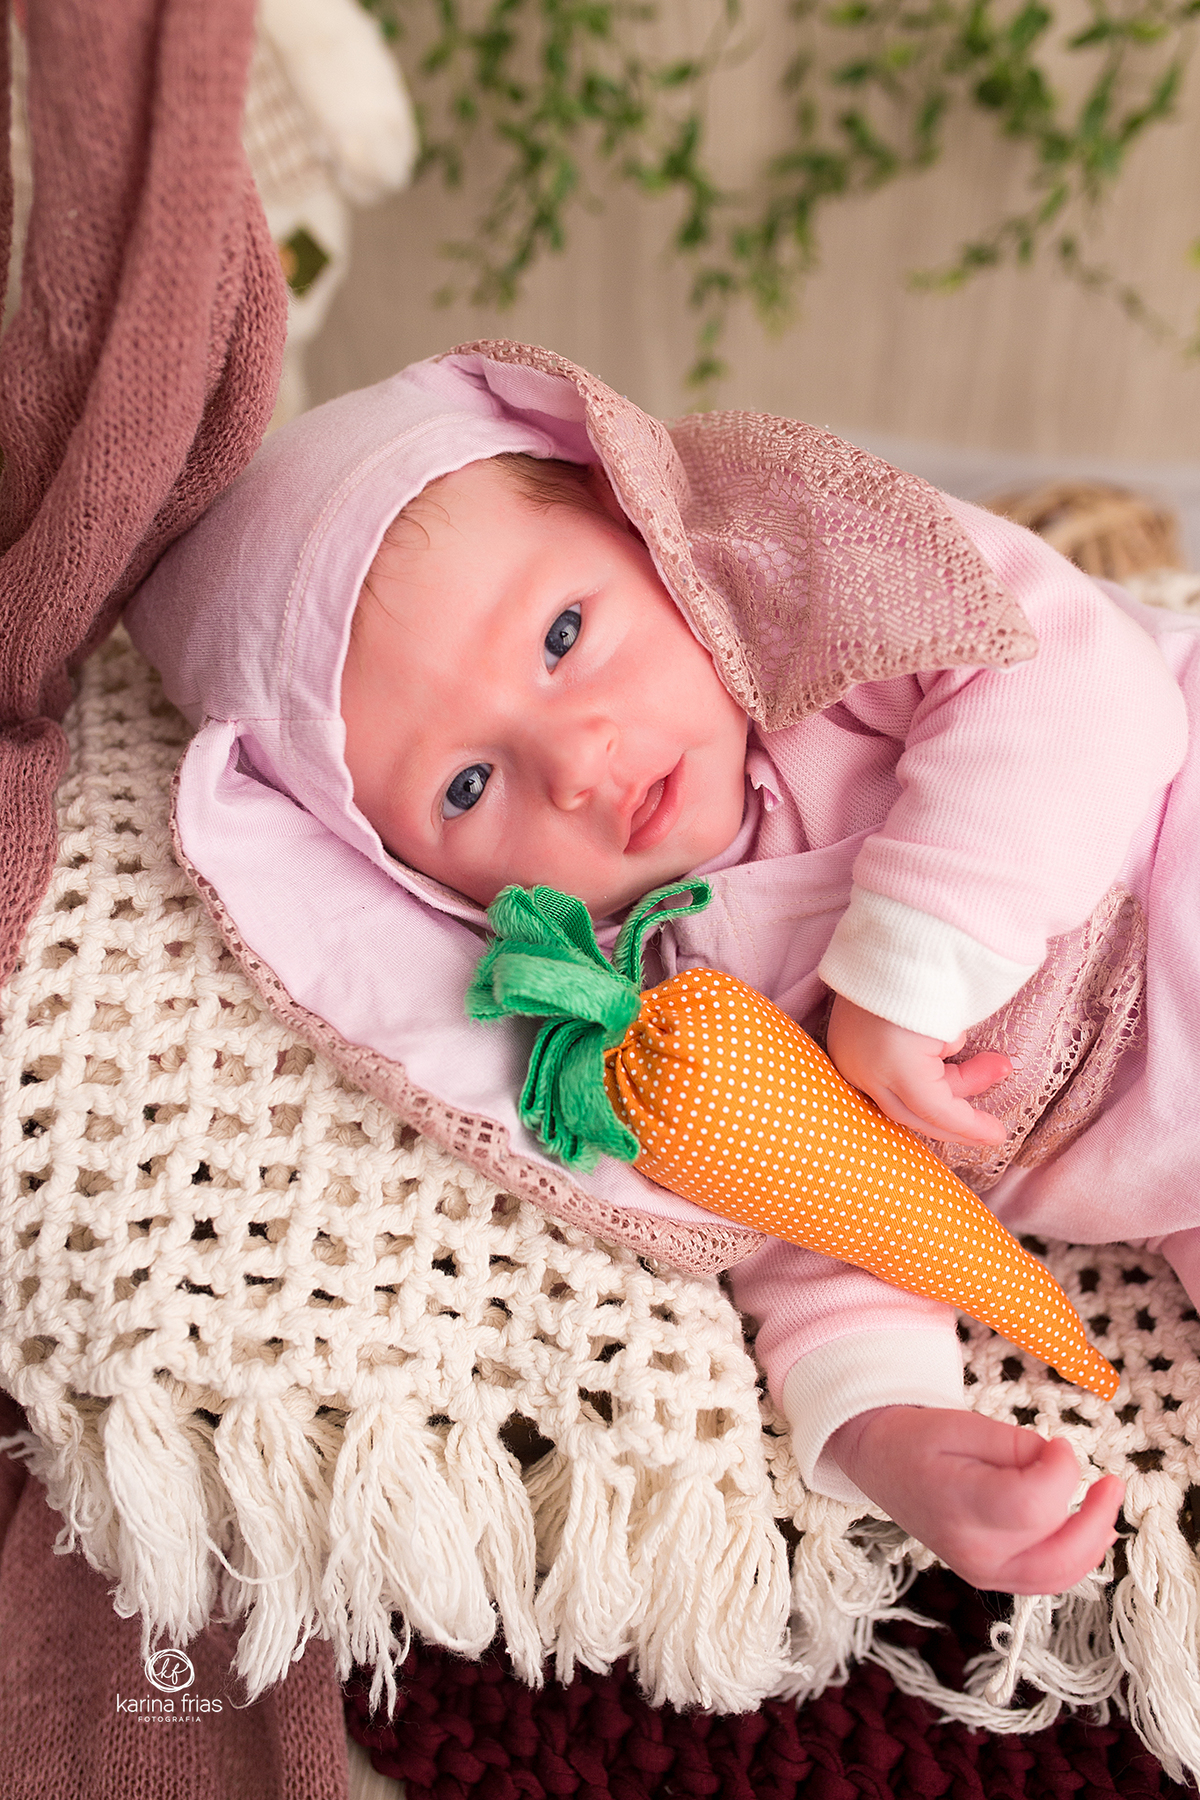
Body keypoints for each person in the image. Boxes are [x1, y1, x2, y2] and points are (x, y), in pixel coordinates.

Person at [126, 341, 1200, 1601]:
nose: (577, 762)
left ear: (640, 527)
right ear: (416, 884)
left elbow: (1078, 684)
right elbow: (819, 1203)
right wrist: (886, 1429)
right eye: (467, 786)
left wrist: (902, 974)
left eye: (566, 634)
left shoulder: (834, 640)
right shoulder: (670, 1004)